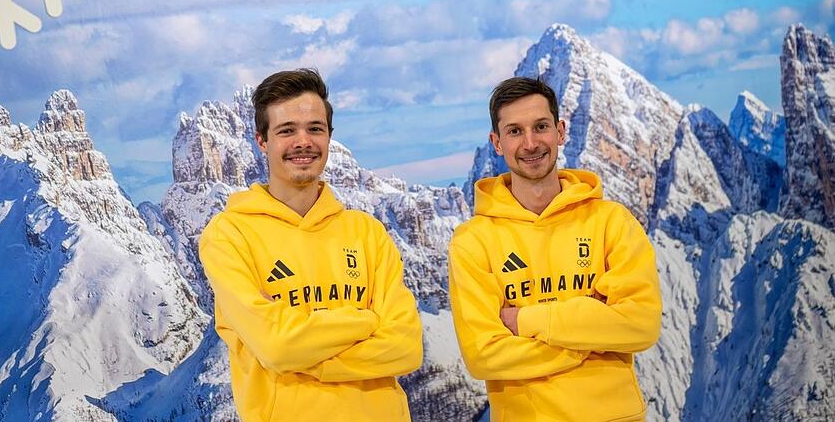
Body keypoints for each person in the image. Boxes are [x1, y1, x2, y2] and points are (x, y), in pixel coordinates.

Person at [198, 68, 422, 422]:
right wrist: (366, 321)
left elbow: (406, 348)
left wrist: (305, 355)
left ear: (330, 137)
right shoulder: (229, 235)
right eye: (287, 130)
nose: (303, 141)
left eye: (315, 128)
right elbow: (277, 346)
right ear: (262, 140)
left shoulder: (367, 233)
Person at [449, 77, 662, 421]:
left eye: (541, 126)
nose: (531, 143)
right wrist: (589, 340)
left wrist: (526, 319)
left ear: (560, 132)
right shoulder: (473, 241)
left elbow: (641, 324)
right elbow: (484, 355)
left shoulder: (611, 222)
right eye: (515, 131)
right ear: (497, 143)